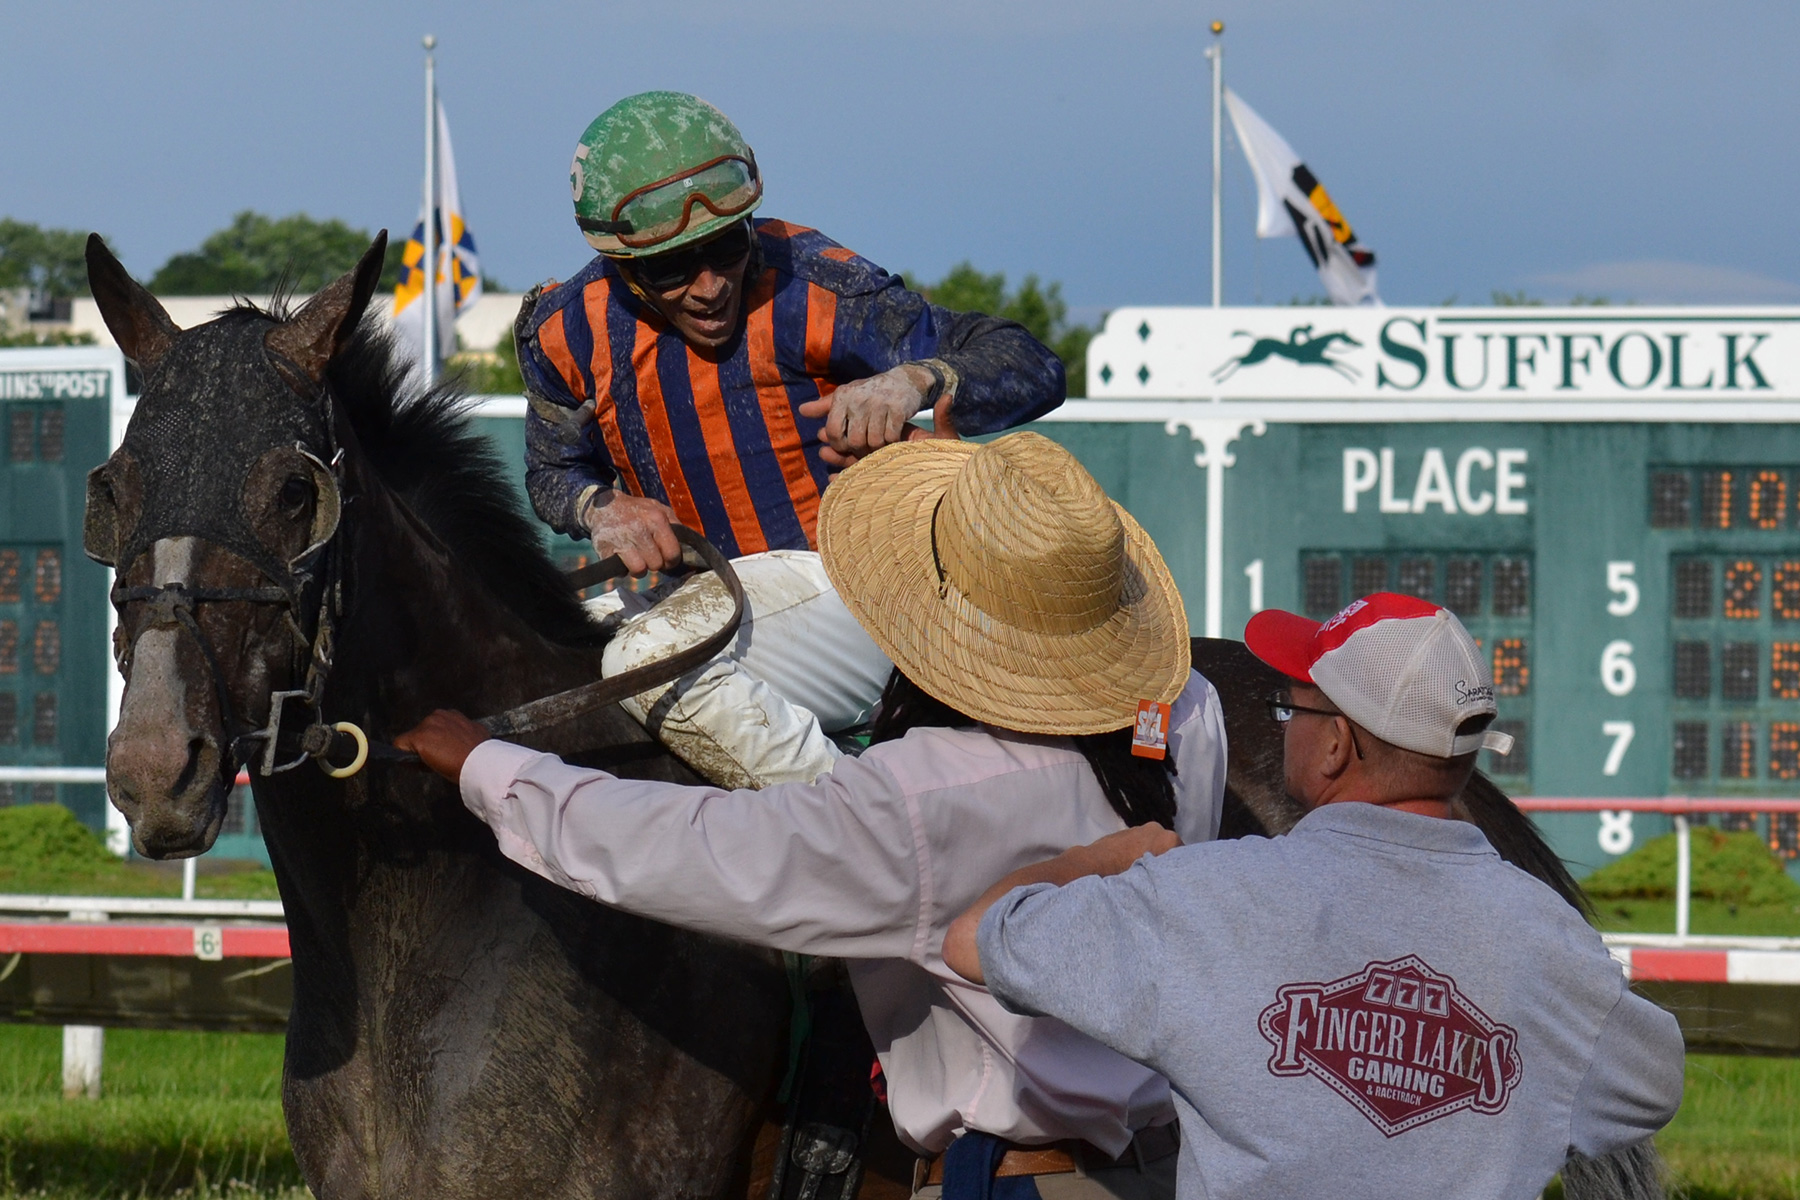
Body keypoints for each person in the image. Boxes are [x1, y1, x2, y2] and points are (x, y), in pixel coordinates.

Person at [398, 433, 1228, 1200]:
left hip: (1018, 1182)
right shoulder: (1192, 714)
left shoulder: (918, 797)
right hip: (1167, 1165)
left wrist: (490, 767)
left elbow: (697, 851)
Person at [944, 592, 1686, 1200]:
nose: (1284, 726)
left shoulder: (1203, 897)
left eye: (1289, 710)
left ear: (1335, 745)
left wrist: (1095, 858)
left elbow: (975, 939)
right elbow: (1648, 1087)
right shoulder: (1552, 944)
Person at [514, 90, 1067, 788]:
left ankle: (862, 831)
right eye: (673, 267)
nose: (710, 286)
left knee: (642, 663)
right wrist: (600, 508)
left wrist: (915, 379)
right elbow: (551, 472)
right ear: (622, 265)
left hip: (858, 595)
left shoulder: (822, 283)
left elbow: (1034, 365)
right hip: (697, 599)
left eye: (724, 247)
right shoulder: (562, 330)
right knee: (527, 662)